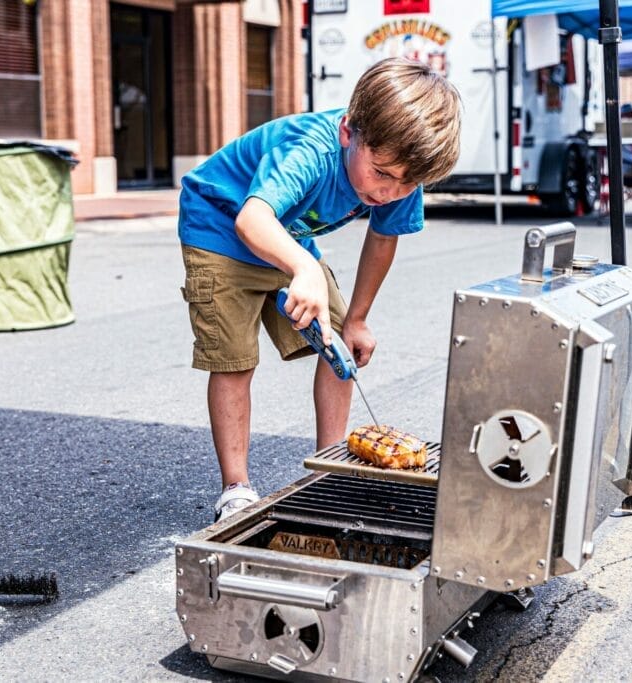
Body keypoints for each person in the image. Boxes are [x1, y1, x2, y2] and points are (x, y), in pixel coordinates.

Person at [177, 58, 462, 522]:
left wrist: (357, 318)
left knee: (340, 349)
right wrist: (302, 266)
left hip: (286, 236)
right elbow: (252, 219)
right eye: (382, 174)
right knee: (233, 358)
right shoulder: (310, 150)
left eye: (407, 182)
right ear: (350, 133)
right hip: (219, 229)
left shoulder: (400, 169)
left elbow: (383, 237)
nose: (391, 192)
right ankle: (236, 489)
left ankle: (330, 467)